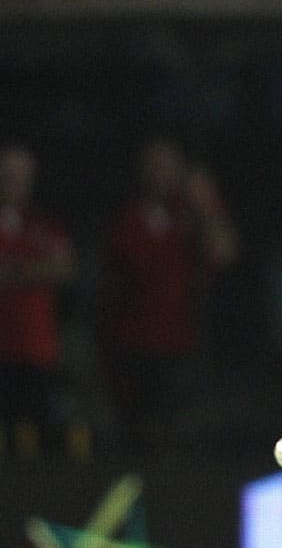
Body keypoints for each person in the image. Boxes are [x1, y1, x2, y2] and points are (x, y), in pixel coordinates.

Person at [98, 138, 239, 462]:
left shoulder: (194, 217)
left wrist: (206, 204)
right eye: (154, 167)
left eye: (168, 167)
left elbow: (224, 253)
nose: (161, 175)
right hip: (131, 344)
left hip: (182, 344)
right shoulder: (127, 218)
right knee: (135, 437)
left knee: (177, 439)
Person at [0, 144, 77, 462]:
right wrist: (34, 269)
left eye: (20, 177)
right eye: (7, 176)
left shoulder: (45, 224)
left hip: (36, 350)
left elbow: (63, 268)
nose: (13, 184)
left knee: (37, 441)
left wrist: (14, 269)